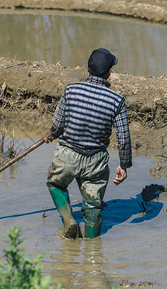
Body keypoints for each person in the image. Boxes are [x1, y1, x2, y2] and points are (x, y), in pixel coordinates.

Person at [45, 48, 132, 239]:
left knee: (56, 184)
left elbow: (58, 124)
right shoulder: (116, 100)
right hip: (96, 160)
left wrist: (51, 135)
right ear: (109, 72)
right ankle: (93, 255)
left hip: (67, 154)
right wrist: (124, 165)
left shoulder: (71, 89)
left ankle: (69, 220)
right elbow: (123, 138)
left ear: (87, 68)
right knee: (92, 207)